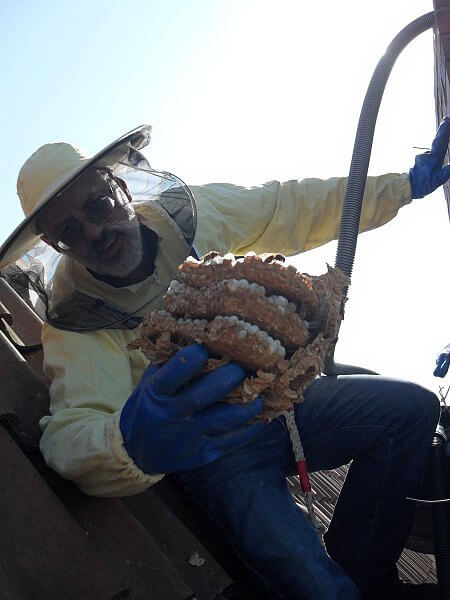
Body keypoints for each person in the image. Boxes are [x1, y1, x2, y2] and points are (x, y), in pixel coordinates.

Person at [2, 119, 449, 600]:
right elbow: (71, 432)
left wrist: (399, 187)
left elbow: (286, 207)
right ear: (53, 245)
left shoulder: (190, 216)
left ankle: (369, 573)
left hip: (279, 404)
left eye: (98, 204)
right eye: (70, 230)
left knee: (411, 411)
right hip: (212, 453)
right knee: (318, 588)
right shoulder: (75, 322)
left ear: (120, 185)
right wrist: (129, 441)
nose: (95, 230)